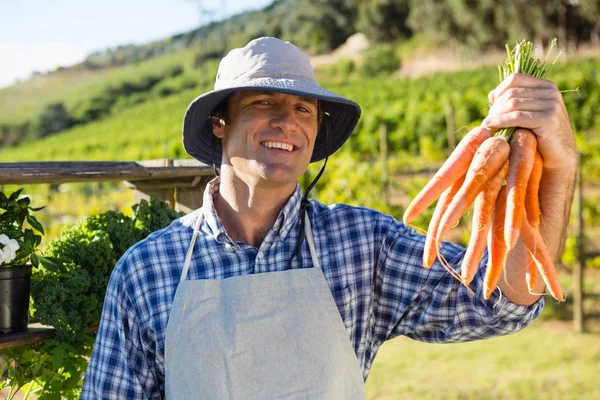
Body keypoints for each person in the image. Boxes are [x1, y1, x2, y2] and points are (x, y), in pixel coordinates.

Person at [81, 37, 578, 399]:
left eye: (304, 108)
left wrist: (559, 163)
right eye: (263, 102)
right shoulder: (147, 269)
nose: (287, 121)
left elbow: (501, 301)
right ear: (220, 122)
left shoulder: (363, 246)